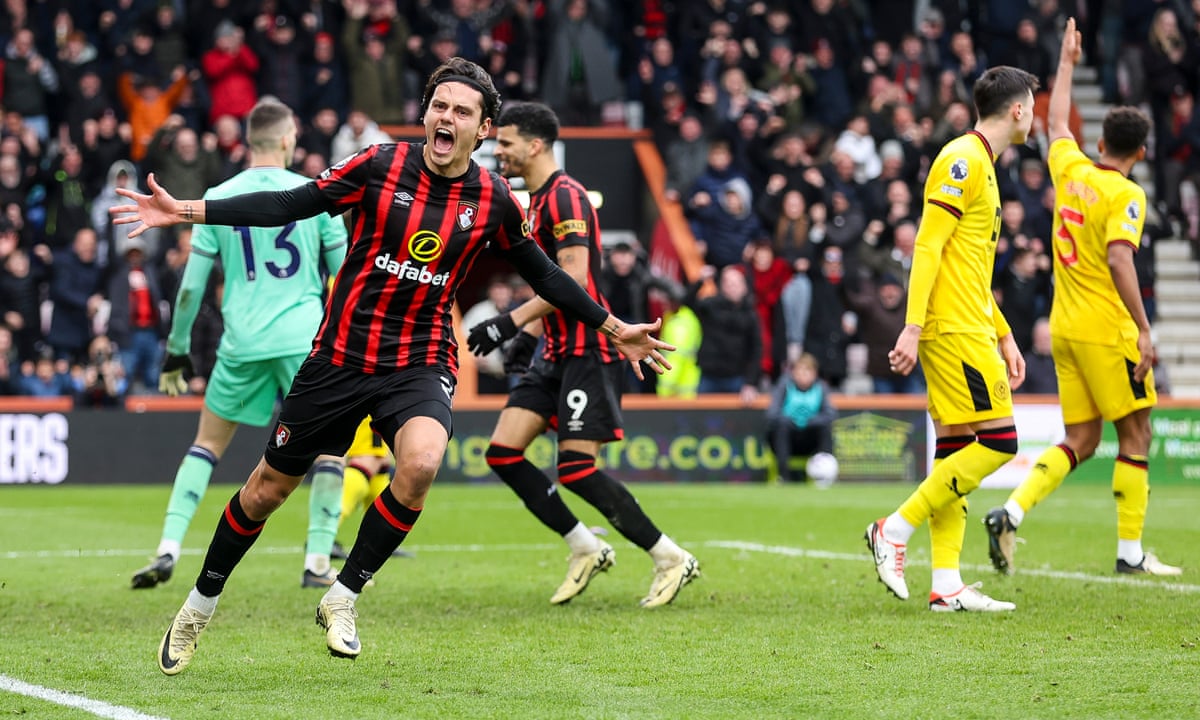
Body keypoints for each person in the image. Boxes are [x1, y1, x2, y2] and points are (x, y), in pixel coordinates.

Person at [112, 57, 673, 674]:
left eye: (462, 111)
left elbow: (547, 275)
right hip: (341, 355)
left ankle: (343, 594)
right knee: (268, 490)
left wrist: (615, 328)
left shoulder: (491, 199)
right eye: (439, 105)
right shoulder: (379, 163)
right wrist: (185, 212)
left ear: (482, 130)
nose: (446, 117)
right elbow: (290, 203)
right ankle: (198, 604)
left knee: (422, 462)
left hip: (421, 358)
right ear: (426, 113)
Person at [466, 101, 698, 608]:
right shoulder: (536, 200)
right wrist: (527, 341)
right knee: (502, 453)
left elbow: (572, 281)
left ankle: (669, 557)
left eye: (505, 142)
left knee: (575, 470)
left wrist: (510, 322)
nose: (497, 150)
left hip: (588, 351)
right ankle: (584, 545)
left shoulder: (567, 197)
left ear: (536, 145)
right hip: (553, 349)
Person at [982, 19, 1181, 578]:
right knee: (1137, 432)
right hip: (1104, 327)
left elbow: (1052, 121)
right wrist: (1144, 328)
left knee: (1082, 438)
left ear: (1098, 144)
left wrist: (1067, 63)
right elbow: (1121, 258)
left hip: (1063, 325)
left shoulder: (1071, 169)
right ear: (1140, 151)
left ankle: (1011, 512)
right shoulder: (1127, 193)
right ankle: (1130, 553)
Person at [128, 99, 350, 597]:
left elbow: (191, 288)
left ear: (250, 142)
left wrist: (178, 351)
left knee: (206, 445)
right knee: (331, 448)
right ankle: (316, 559)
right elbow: (343, 274)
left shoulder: (218, 195)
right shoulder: (315, 194)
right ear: (290, 139)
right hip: (304, 341)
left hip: (241, 343)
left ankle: (168, 546)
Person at [865, 62, 1040, 613]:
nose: (1032, 114)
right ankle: (894, 529)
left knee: (956, 449)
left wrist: (1006, 334)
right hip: (953, 328)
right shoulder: (963, 159)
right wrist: (914, 326)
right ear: (1017, 110)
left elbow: (969, 269)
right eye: (1031, 105)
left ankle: (946, 585)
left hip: (970, 321)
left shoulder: (983, 165)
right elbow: (927, 247)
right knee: (1001, 443)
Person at [765, 353, 836, 483]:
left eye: (807, 370)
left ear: (814, 373)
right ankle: (784, 477)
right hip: (787, 438)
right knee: (782, 426)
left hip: (810, 439)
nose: (803, 374)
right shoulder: (784, 385)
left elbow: (830, 415)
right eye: (799, 370)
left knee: (825, 429)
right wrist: (793, 421)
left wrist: (808, 422)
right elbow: (772, 414)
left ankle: (824, 476)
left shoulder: (821, 388)